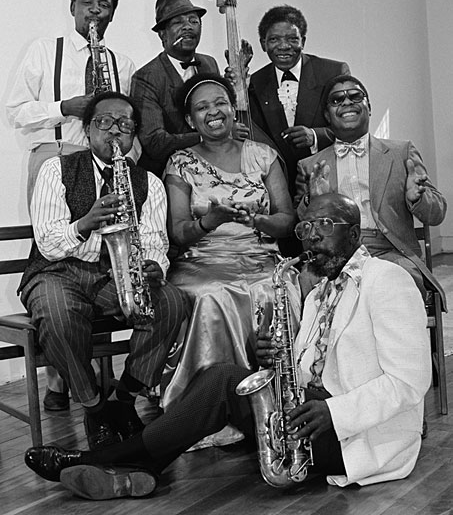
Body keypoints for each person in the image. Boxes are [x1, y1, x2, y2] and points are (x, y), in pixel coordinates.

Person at [24, 193, 431, 499]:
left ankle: (102, 460)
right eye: (305, 228)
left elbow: (409, 382)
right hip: (308, 418)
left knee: (220, 382)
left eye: (323, 224)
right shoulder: (320, 291)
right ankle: (136, 470)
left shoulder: (387, 280)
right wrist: (277, 359)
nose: (311, 236)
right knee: (222, 376)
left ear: (354, 232)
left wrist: (332, 411)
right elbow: (309, 370)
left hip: (356, 437)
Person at [19, 91, 190, 450]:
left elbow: (154, 241)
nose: (115, 131)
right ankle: (94, 407)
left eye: (125, 125)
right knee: (57, 313)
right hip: (56, 271)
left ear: (133, 134)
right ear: (87, 129)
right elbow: (48, 243)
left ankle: (124, 399)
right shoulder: (56, 169)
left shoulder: (149, 182)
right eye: (105, 122)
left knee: (171, 302)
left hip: (115, 273)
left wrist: (154, 266)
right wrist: (85, 223)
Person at [6, 0, 137, 410]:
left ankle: (90, 371)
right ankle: (59, 380)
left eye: (105, 4)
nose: (95, 10)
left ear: (112, 13)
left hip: (105, 160)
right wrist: (65, 107)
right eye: (88, 2)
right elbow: (16, 111)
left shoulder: (121, 62)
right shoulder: (45, 50)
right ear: (73, 7)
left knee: (101, 258)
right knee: (56, 260)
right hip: (56, 154)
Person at [162, 73, 300, 446]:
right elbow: (178, 231)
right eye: (202, 107)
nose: (214, 112)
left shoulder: (263, 155)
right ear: (190, 120)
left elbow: (287, 220)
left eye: (220, 102)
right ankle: (211, 410)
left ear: (232, 108)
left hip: (260, 252)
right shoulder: (180, 163)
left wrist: (258, 221)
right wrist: (210, 221)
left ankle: (281, 400)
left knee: (277, 287)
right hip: (203, 257)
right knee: (211, 294)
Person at [294, 74, 447, 303]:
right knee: (308, 282)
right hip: (335, 254)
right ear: (327, 115)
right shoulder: (310, 165)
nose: (347, 102)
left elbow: (437, 214)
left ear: (369, 107)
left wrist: (417, 198)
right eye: (337, 100)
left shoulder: (401, 153)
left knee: (393, 284)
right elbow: (302, 227)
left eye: (355, 96)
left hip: (392, 253)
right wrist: (313, 200)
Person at [248, 5, 350, 196]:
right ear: (263, 44)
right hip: (279, 190)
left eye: (292, 39)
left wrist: (315, 136)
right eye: (274, 39)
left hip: (330, 184)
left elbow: (352, 128)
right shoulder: (255, 82)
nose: (284, 46)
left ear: (303, 41)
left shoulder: (333, 72)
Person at [130, 0, 221, 177]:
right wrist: (211, 135)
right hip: (168, 174)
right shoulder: (146, 77)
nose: (188, 26)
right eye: (178, 22)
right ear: (162, 34)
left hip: (213, 168)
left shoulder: (209, 63)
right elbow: (155, 142)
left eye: (194, 21)